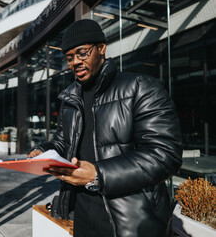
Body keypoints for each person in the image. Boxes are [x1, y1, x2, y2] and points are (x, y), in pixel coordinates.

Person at [28, 19, 182, 237]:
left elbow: (166, 155)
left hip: (132, 220)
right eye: (70, 57)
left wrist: (98, 175)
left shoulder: (140, 88)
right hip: (82, 215)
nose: (75, 62)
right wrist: (43, 151)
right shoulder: (70, 99)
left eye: (82, 53)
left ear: (101, 49)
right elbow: (63, 141)